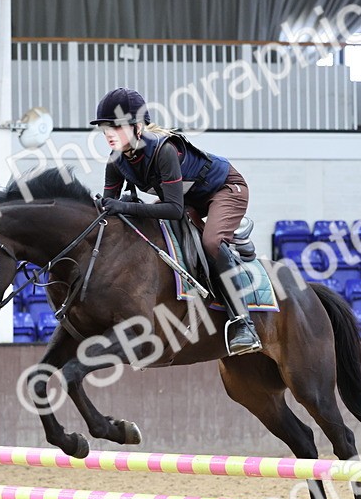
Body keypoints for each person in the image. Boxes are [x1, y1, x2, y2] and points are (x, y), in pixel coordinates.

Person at [89, 87, 262, 356]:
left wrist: (123, 206)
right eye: (105, 128)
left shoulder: (164, 150)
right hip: (188, 199)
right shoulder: (116, 161)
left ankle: (243, 323)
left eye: (116, 127)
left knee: (212, 242)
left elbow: (173, 209)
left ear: (137, 127)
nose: (108, 134)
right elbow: (111, 212)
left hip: (226, 189)